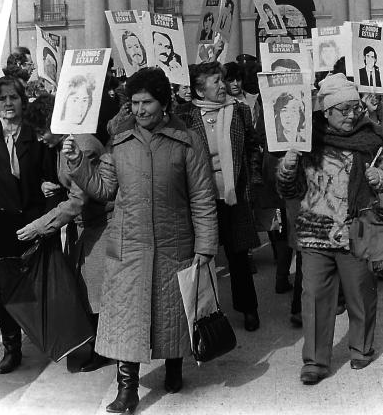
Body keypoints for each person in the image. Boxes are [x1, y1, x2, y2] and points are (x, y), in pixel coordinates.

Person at [62, 67, 217, 413]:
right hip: (127, 247)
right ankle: (126, 389)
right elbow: (103, 190)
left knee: (174, 315)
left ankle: (174, 366)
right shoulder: (119, 142)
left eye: (147, 102)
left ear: (164, 103)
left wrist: (205, 247)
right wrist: (76, 164)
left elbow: (203, 198)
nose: (140, 110)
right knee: (125, 321)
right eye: (134, 102)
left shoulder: (187, 141)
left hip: (174, 244)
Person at [277, 73, 383, 384]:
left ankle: (361, 349)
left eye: (355, 108)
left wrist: (380, 179)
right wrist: (287, 166)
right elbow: (289, 190)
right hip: (315, 232)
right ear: (327, 112)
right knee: (314, 298)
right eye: (345, 109)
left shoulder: (373, 140)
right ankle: (315, 361)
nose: (352, 115)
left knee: (361, 293)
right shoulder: (307, 141)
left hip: (357, 231)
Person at [17, 94, 111, 373]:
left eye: (40, 130)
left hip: (100, 225)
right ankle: (99, 347)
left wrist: (39, 226)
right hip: (86, 226)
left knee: (96, 292)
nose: (39, 138)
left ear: (55, 122)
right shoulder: (67, 143)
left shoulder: (81, 144)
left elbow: (79, 199)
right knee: (89, 290)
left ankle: (104, 350)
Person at [176, 61, 261, 332]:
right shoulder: (185, 116)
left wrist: (252, 179)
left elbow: (251, 148)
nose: (223, 86)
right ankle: (206, 314)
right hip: (201, 199)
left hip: (233, 195)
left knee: (238, 256)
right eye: (215, 82)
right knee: (204, 257)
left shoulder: (239, 111)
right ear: (200, 91)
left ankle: (248, 309)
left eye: (221, 80)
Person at [0, 76, 46, 374]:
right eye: (2, 99)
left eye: (13, 98)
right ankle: (12, 348)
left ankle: (49, 338)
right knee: (2, 290)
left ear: (23, 101)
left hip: (32, 221)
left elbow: (50, 177)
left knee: (39, 282)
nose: (8, 104)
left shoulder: (36, 137)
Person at [223, 61, 260, 127]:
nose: (235, 84)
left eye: (238, 80)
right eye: (230, 81)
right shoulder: (220, 101)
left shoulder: (253, 99)